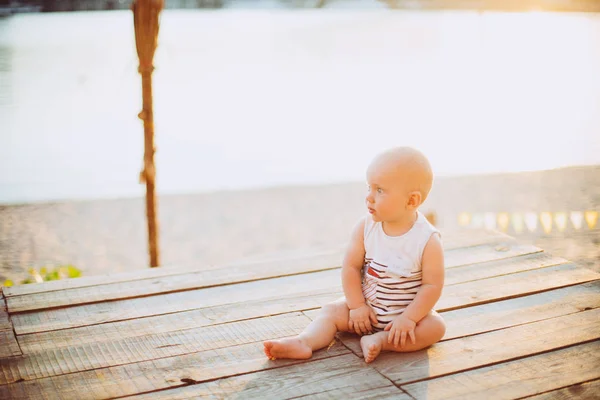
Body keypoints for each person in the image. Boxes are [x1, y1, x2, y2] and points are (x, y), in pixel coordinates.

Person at [263, 146, 446, 363]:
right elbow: (350, 268)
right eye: (369, 187)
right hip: (364, 313)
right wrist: (357, 306)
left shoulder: (427, 240)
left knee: (435, 327)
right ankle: (305, 341)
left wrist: (408, 318)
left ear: (411, 201)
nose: (369, 197)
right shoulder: (365, 228)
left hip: (402, 320)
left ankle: (382, 340)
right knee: (331, 311)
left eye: (380, 190)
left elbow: (431, 286)